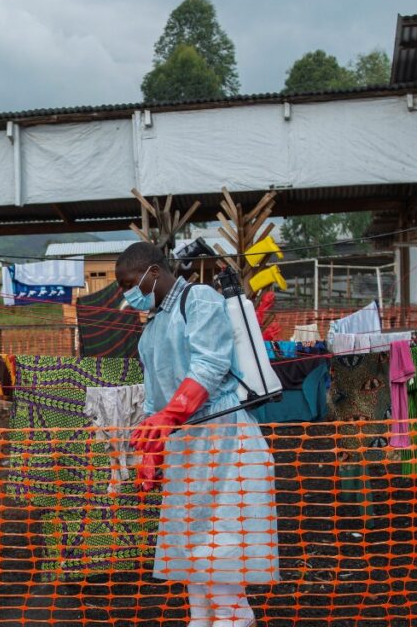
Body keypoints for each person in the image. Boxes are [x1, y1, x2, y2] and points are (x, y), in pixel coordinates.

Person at [115, 242, 279, 627]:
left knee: (221, 527)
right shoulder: (150, 332)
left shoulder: (199, 299)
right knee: (189, 529)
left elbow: (210, 364)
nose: (126, 294)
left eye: (128, 284)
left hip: (221, 431)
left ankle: (234, 615)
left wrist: (170, 416)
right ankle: (202, 617)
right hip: (185, 440)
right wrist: (152, 453)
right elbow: (154, 401)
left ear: (153, 272)